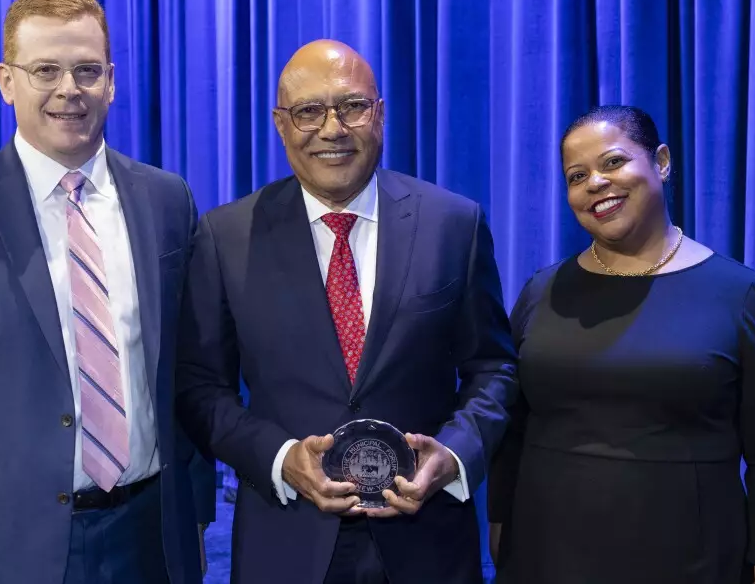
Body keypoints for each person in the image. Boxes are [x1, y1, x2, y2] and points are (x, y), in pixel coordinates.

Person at [0, 0, 212, 584]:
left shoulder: (167, 200)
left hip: (154, 539)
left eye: (86, 70)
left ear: (110, 79)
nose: (68, 89)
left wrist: (198, 512)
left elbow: (190, 371)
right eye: (45, 71)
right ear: (7, 82)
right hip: (5, 548)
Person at [175, 39, 519, 584]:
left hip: (427, 542)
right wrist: (280, 457)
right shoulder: (225, 236)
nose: (333, 129)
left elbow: (493, 370)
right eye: (310, 111)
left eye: (353, 106)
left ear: (379, 114)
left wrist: (452, 457)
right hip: (285, 542)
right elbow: (197, 387)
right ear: (281, 124)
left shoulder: (454, 224)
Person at [486, 105, 755, 584]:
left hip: (690, 560)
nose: (596, 183)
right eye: (578, 176)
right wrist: (500, 534)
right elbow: (510, 430)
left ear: (661, 161)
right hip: (544, 556)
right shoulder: (541, 291)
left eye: (613, 162)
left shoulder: (743, 296)